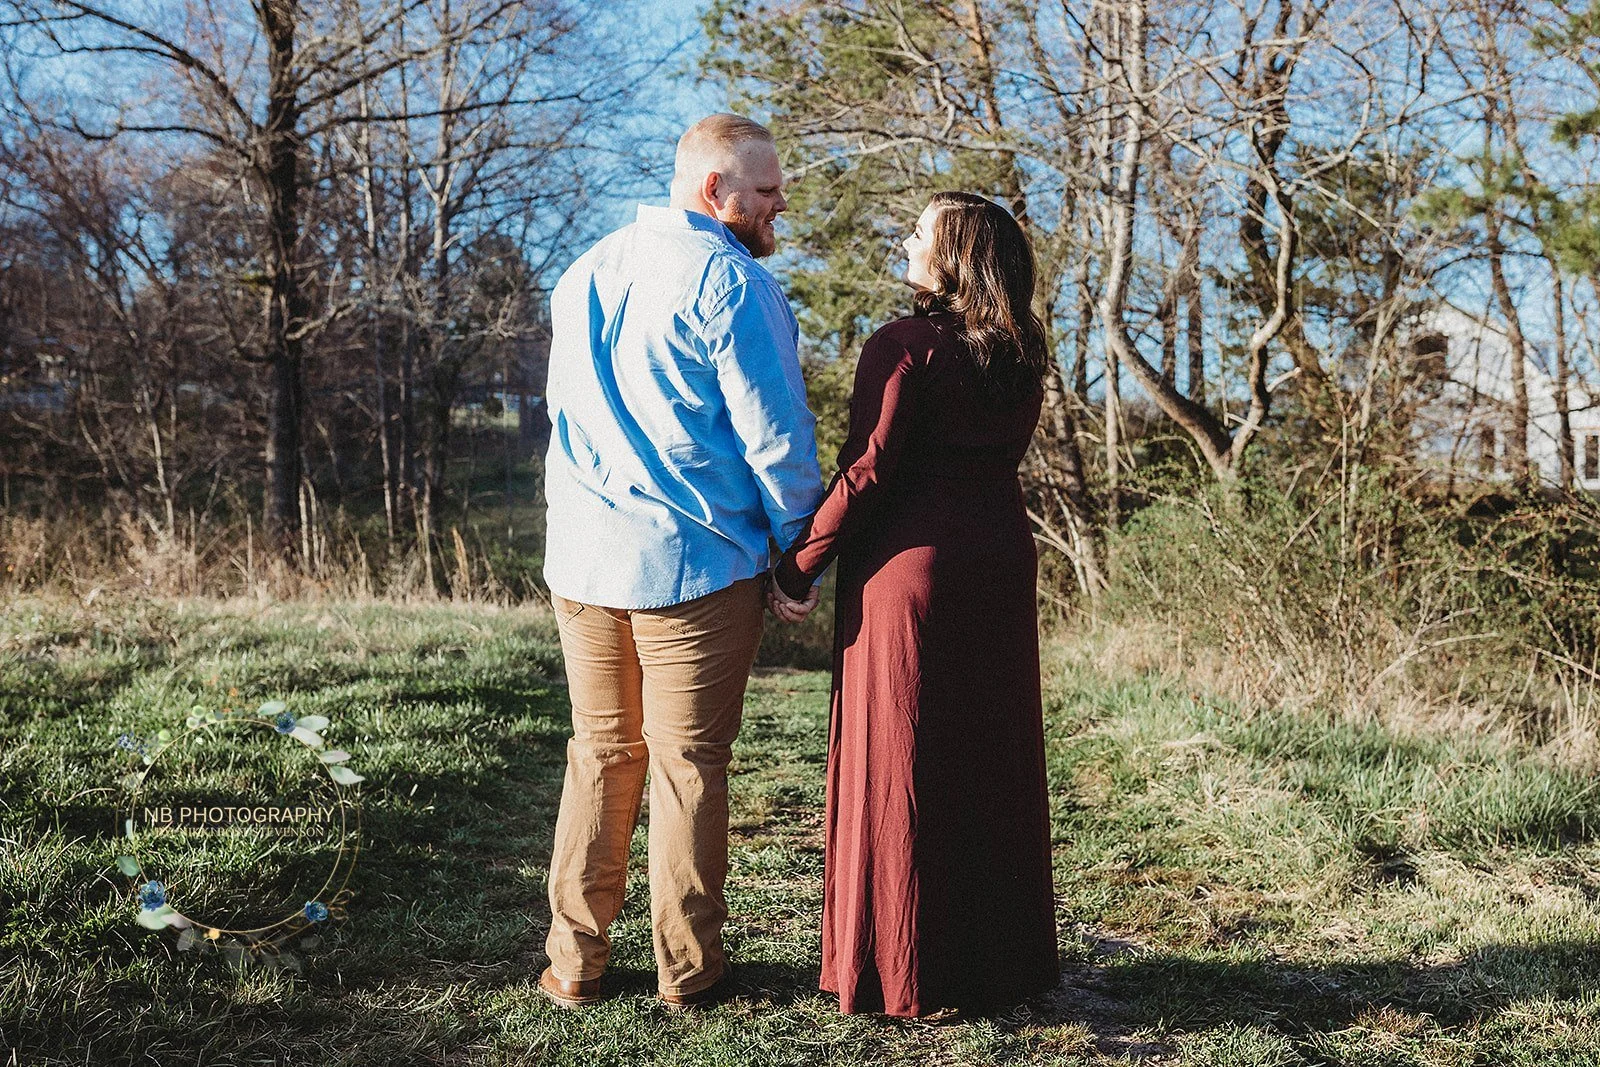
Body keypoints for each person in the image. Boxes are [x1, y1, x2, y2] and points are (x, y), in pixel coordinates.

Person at [538, 114, 824, 1010]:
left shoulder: (583, 271)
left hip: (582, 562)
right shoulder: (730, 282)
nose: (781, 207)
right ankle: (688, 972)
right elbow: (777, 439)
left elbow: (565, 420)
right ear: (717, 192)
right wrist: (799, 553)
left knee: (601, 754)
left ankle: (575, 965)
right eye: (768, 192)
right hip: (691, 567)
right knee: (688, 764)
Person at [770, 192, 1060, 1017]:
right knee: (987, 756)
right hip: (1001, 563)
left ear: (955, 257)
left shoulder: (904, 345)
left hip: (912, 577)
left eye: (919, 232)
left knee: (902, 761)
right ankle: (995, 963)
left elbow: (866, 470)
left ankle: (904, 965)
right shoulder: (1020, 350)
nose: (903, 239)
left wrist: (799, 566)